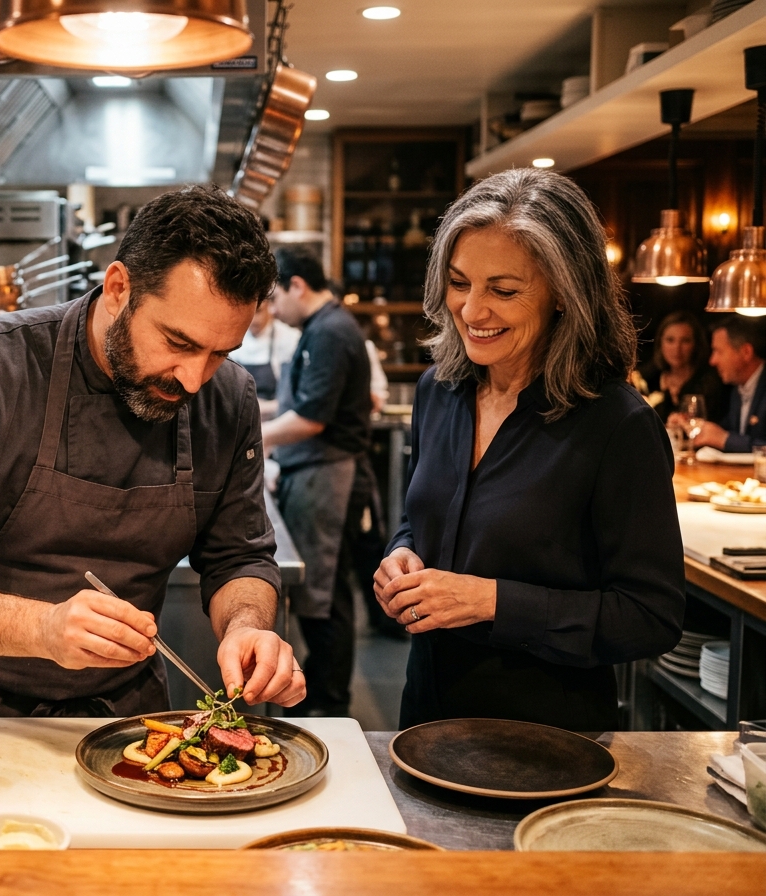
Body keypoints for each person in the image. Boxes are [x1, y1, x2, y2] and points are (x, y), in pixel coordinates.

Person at [0, 185, 305, 717]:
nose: (194, 379)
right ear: (119, 287)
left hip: (127, 717)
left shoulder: (228, 399)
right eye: (179, 342)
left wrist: (247, 628)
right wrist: (42, 628)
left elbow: (238, 557)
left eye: (220, 353)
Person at [373, 169, 685, 731]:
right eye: (459, 282)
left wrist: (492, 601)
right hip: (425, 718)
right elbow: (421, 516)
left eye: (504, 290)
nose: (471, 310)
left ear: (566, 293)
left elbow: (650, 616)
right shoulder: (438, 392)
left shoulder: (617, 425)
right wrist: (403, 554)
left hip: (547, 739)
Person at [261, 248, 375, 717]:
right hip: (313, 473)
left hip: (329, 476)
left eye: (274, 297)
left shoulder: (330, 331)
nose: (272, 309)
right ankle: (323, 697)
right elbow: (298, 404)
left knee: (326, 599)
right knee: (319, 597)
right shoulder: (319, 329)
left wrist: (253, 438)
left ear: (297, 286)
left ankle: (328, 705)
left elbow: (311, 419)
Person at [684, 315, 766, 453]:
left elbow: (725, 436)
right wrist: (692, 427)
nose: (712, 361)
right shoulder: (738, 388)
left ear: (746, 352)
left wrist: (724, 439)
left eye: (718, 351)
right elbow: (727, 430)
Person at [635, 311, 725, 425]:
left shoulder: (709, 383)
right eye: (670, 340)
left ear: (696, 344)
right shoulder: (648, 379)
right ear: (660, 343)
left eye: (685, 341)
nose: (677, 348)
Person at [229, 293, 300, 409]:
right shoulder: (232, 338)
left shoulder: (289, 339)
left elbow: (290, 399)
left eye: (258, 312)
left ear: (269, 306)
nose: (252, 320)